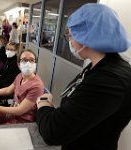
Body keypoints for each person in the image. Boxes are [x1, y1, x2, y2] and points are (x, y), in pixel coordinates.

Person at [36, 3, 131, 150]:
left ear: (86, 38)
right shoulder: (101, 66)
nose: (70, 41)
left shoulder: (110, 79)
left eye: (70, 35)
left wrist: (43, 105)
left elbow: (53, 132)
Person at [0, 50, 44, 124]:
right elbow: (8, 90)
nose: (28, 63)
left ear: (35, 64)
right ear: (19, 64)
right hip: (11, 113)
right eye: (24, 60)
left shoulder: (37, 86)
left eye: (31, 60)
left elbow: (20, 111)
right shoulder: (20, 76)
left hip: (21, 121)